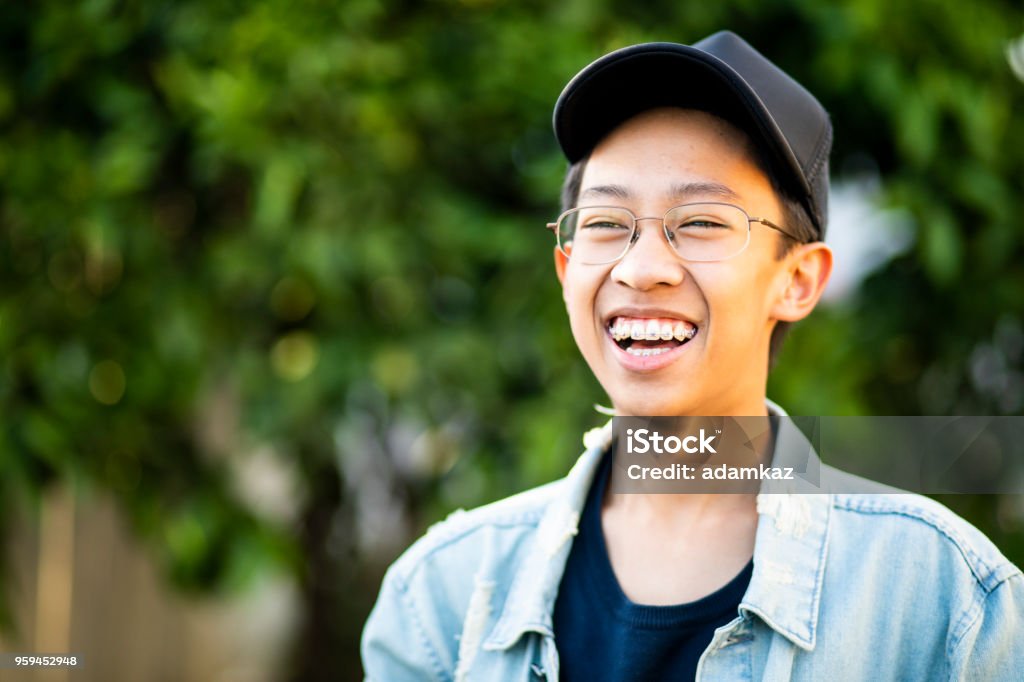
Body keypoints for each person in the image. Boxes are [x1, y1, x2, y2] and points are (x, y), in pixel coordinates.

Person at [361, 31, 1023, 680]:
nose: (642, 268)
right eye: (606, 224)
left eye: (702, 221)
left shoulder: (943, 603)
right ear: (567, 270)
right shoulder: (442, 599)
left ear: (797, 281)